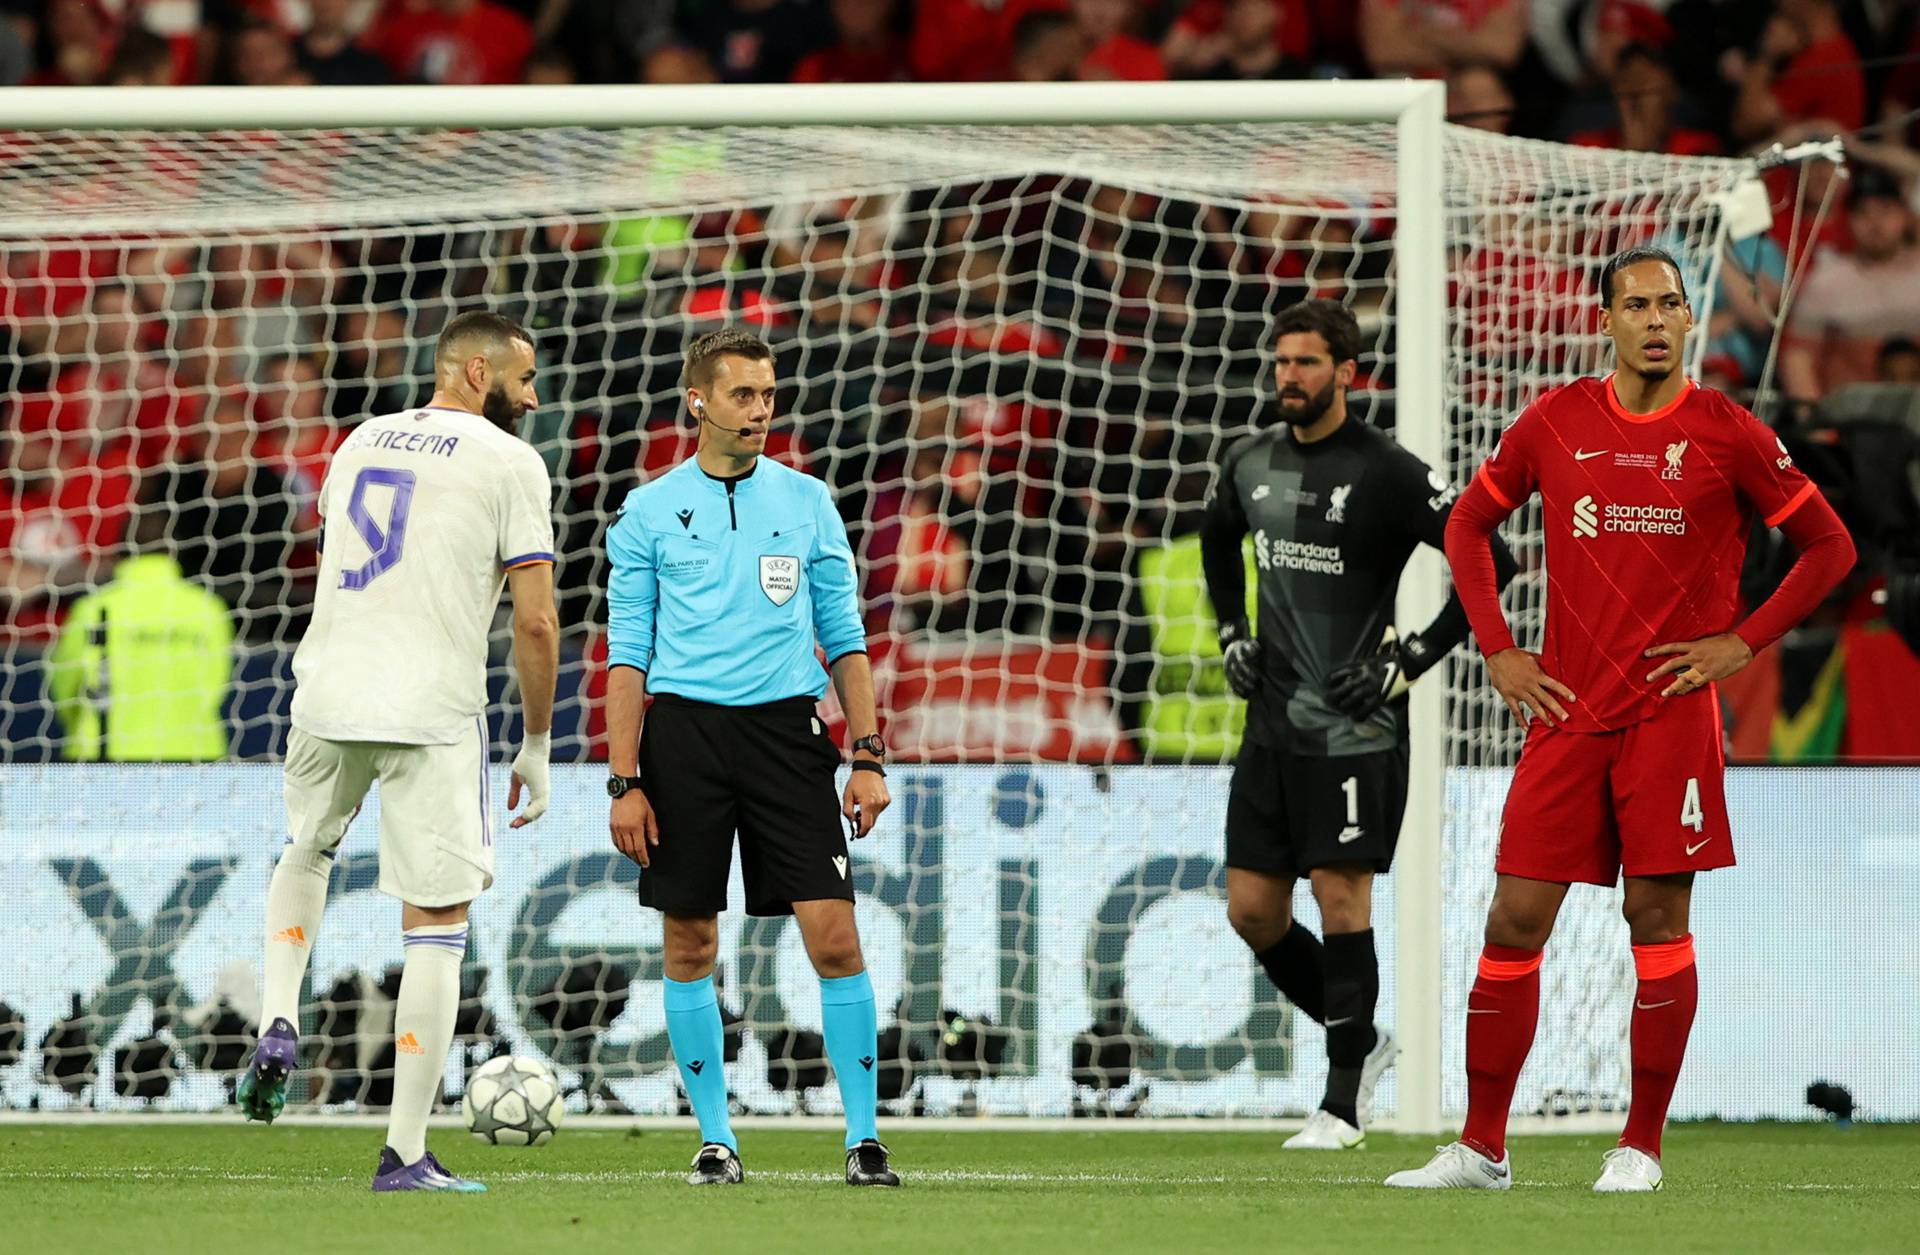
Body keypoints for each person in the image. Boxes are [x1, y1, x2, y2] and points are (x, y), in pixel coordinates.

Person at [1387, 247, 1855, 1193]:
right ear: (1606, 319)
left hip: (1670, 718)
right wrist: (1497, 647)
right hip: (1564, 711)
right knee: (1514, 917)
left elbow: (1828, 547)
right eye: (1636, 303)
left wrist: (1744, 643)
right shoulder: (1556, 420)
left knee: (1656, 917)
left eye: (1670, 304)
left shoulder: (1728, 433)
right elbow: (1468, 526)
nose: (1654, 318)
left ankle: (1638, 1145)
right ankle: (1483, 1147)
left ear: (1689, 320)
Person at [235, 311, 560, 1195]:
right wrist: (535, 742)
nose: (534, 398)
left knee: (308, 848)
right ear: (474, 372)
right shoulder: (510, 462)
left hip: (328, 687)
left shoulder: (360, 440)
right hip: (432, 706)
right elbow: (535, 618)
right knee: (437, 922)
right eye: (522, 380)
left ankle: (276, 1014)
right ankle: (404, 1152)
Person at [1200, 298, 1517, 1150]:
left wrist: (1409, 656)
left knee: (1342, 898)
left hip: (1356, 727)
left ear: (1348, 372)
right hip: (1270, 728)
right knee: (1252, 911)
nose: (1288, 378)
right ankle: (1366, 1040)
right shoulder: (1249, 461)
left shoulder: (1386, 472)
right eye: (1280, 362)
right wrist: (1233, 631)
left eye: (1305, 363)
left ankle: (1341, 1105)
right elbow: (1216, 536)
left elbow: (1494, 555)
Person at [604, 327, 897, 1188]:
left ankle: (865, 1137)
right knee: (690, 943)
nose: (761, 410)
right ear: (699, 400)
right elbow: (627, 654)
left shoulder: (806, 501)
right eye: (742, 395)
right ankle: (716, 1138)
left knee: (835, 936)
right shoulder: (649, 511)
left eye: (768, 395)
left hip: (786, 735)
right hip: (684, 738)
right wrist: (625, 779)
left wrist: (868, 753)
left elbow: (844, 636)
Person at [46, 495, 234, 762]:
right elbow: (215, 687)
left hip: (104, 754)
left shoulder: (92, 609)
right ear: (174, 550)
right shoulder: (208, 609)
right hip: (192, 752)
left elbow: (64, 687)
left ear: (119, 551)